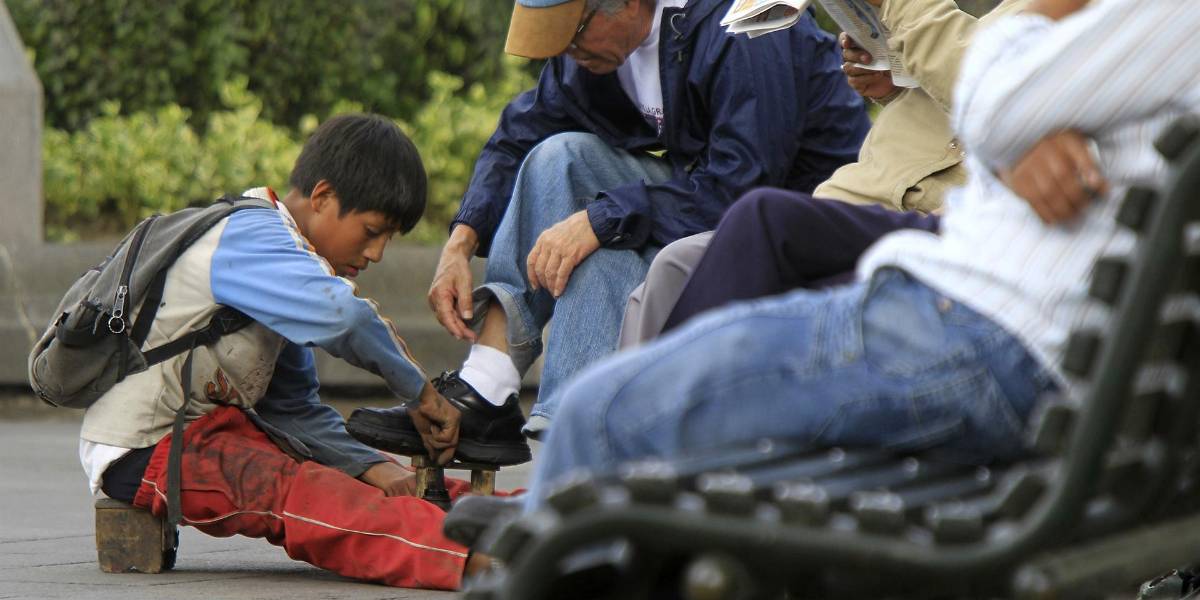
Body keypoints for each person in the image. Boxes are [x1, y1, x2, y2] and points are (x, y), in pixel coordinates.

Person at [519, 0, 1197, 509]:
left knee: (600, 419)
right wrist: (963, 98)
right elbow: (995, 95)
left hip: (983, 326)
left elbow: (991, 92)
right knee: (681, 268)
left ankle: (607, 493)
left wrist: (1007, 114)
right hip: (993, 312)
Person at [347, 0, 871, 457]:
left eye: (573, 35)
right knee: (557, 156)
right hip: (711, 197)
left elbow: (745, 191)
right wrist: (458, 244)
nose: (568, 54)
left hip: (798, 220)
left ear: (626, 3)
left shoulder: (746, 27)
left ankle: (573, 442)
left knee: (601, 250)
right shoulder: (596, 52)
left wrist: (602, 218)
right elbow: (520, 133)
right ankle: (489, 387)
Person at [78, 114, 483, 590]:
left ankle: (528, 524)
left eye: (387, 239)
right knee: (309, 493)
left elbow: (293, 411)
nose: (376, 253)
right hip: (148, 447)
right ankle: (476, 563)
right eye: (372, 231)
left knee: (402, 482)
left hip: (220, 431)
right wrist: (421, 396)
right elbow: (346, 318)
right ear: (323, 197)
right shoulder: (249, 238)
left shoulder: (293, 259)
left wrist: (374, 468)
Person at [618, 0, 1029, 347]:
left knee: (762, 217)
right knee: (675, 264)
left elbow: (1000, 90)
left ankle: (658, 415)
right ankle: (613, 420)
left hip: (936, 227)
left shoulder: (1084, 24)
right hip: (855, 200)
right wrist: (897, 81)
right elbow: (963, 90)